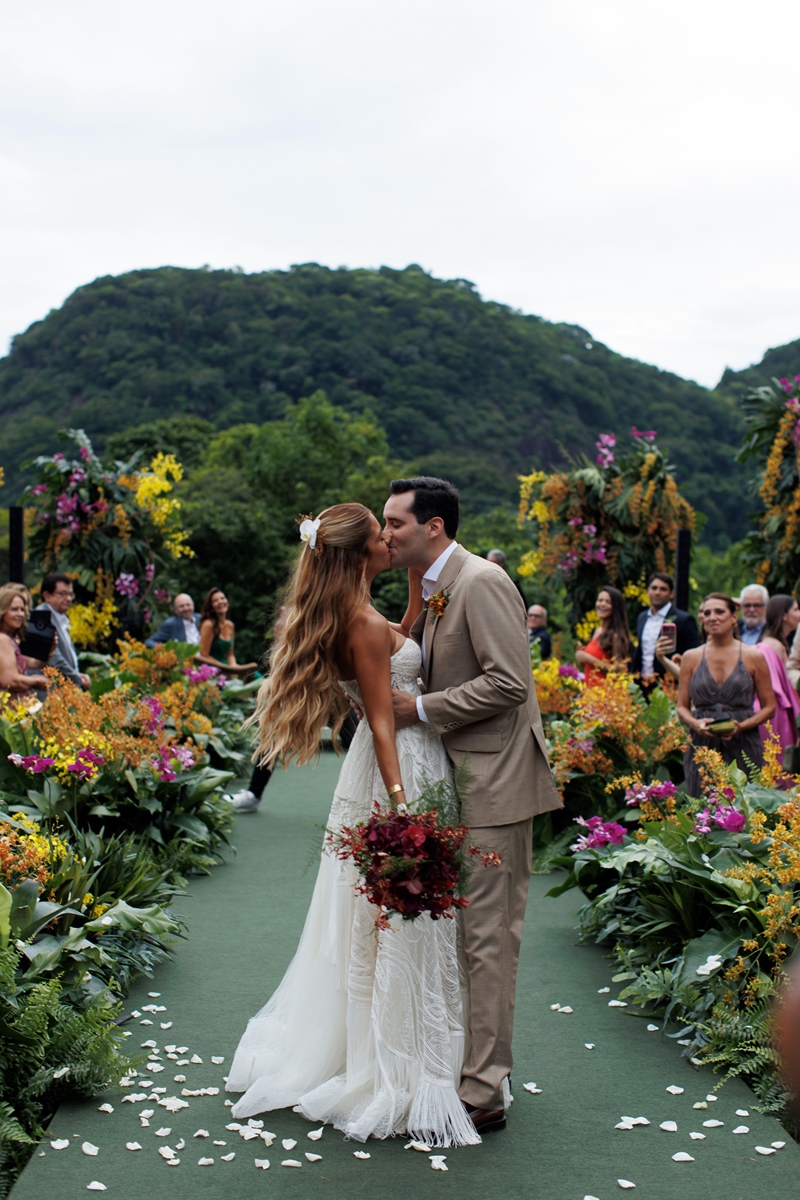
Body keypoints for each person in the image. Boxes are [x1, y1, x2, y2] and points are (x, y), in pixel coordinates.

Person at [227, 502, 481, 1147]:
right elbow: (382, 718)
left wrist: (424, 602)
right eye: (378, 536)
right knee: (398, 917)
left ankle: (390, 1043)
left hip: (382, 766)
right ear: (356, 555)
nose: (388, 541)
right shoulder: (361, 624)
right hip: (398, 769)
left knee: (381, 918)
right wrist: (402, 808)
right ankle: (394, 1061)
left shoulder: (360, 618)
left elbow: (395, 645)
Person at [384, 477, 561, 1136]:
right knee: (464, 937)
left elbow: (510, 684)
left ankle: (485, 1090)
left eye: (396, 522)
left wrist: (419, 709)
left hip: (496, 781)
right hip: (458, 779)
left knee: (487, 939)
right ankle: (474, 1064)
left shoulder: (482, 581)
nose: (387, 533)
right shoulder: (433, 587)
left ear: (433, 527)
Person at [677, 593, 775, 797]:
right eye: (706, 613)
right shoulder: (691, 657)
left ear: (733, 617)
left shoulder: (753, 656)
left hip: (744, 741)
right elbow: (681, 707)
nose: (712, 617)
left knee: (745, 806)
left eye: (719, 611)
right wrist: (696, 725)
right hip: (702, 744)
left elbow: (769, 707)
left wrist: (742, 726)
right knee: (702, 810)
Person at [752, 594, 800, 759]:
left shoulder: (777, 644)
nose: (799, 614)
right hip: (776, 714)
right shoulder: (769, 646)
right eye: (796, 609)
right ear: (785, 616)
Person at [632, 572, 701, 682]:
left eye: (663, 589)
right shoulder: (642, 617)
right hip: (642, 681)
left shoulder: (683, 619)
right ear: (648, 591)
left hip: (668, 684)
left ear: (672, 593)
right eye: (654, 588)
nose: (657, 592)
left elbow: (695, 653)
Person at [35, 573, 91, 690]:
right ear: (47, 596)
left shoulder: (57, 617)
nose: (69, 599)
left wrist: (77, 675)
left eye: (70, 594)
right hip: (47, 693)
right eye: (62, 594)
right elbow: (54, 659)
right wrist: (77, 679)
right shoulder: (41, 617)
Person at [575, 587, 632, 685]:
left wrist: (589, 658)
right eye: (600, 600)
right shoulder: (598, 631)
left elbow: (620, 671)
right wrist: (582, 658)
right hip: (590, 693)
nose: (602, 604)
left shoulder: (617, 636)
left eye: (608, 602)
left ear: (616, 607)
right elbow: (594, 667)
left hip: (606, 695)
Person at [0, 584, 49, 695]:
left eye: (22, 610)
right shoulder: (2, 639)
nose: (20, 614)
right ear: (2, 611)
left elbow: (35, 663)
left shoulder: (9, 638)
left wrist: (50, 649)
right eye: (14, 609)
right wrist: (35, 680)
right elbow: (10, 680)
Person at [197, 588, 257, 677]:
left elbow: (230, 655)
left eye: (222, 598)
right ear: (211, 607)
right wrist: (226, 669)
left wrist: (233, 667)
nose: (220, 601)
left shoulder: (230, 625)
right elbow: (204, 655)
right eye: (215, 600)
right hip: (213, 670)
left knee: (256, 676)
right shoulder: (208, 625)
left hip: (228, 668)